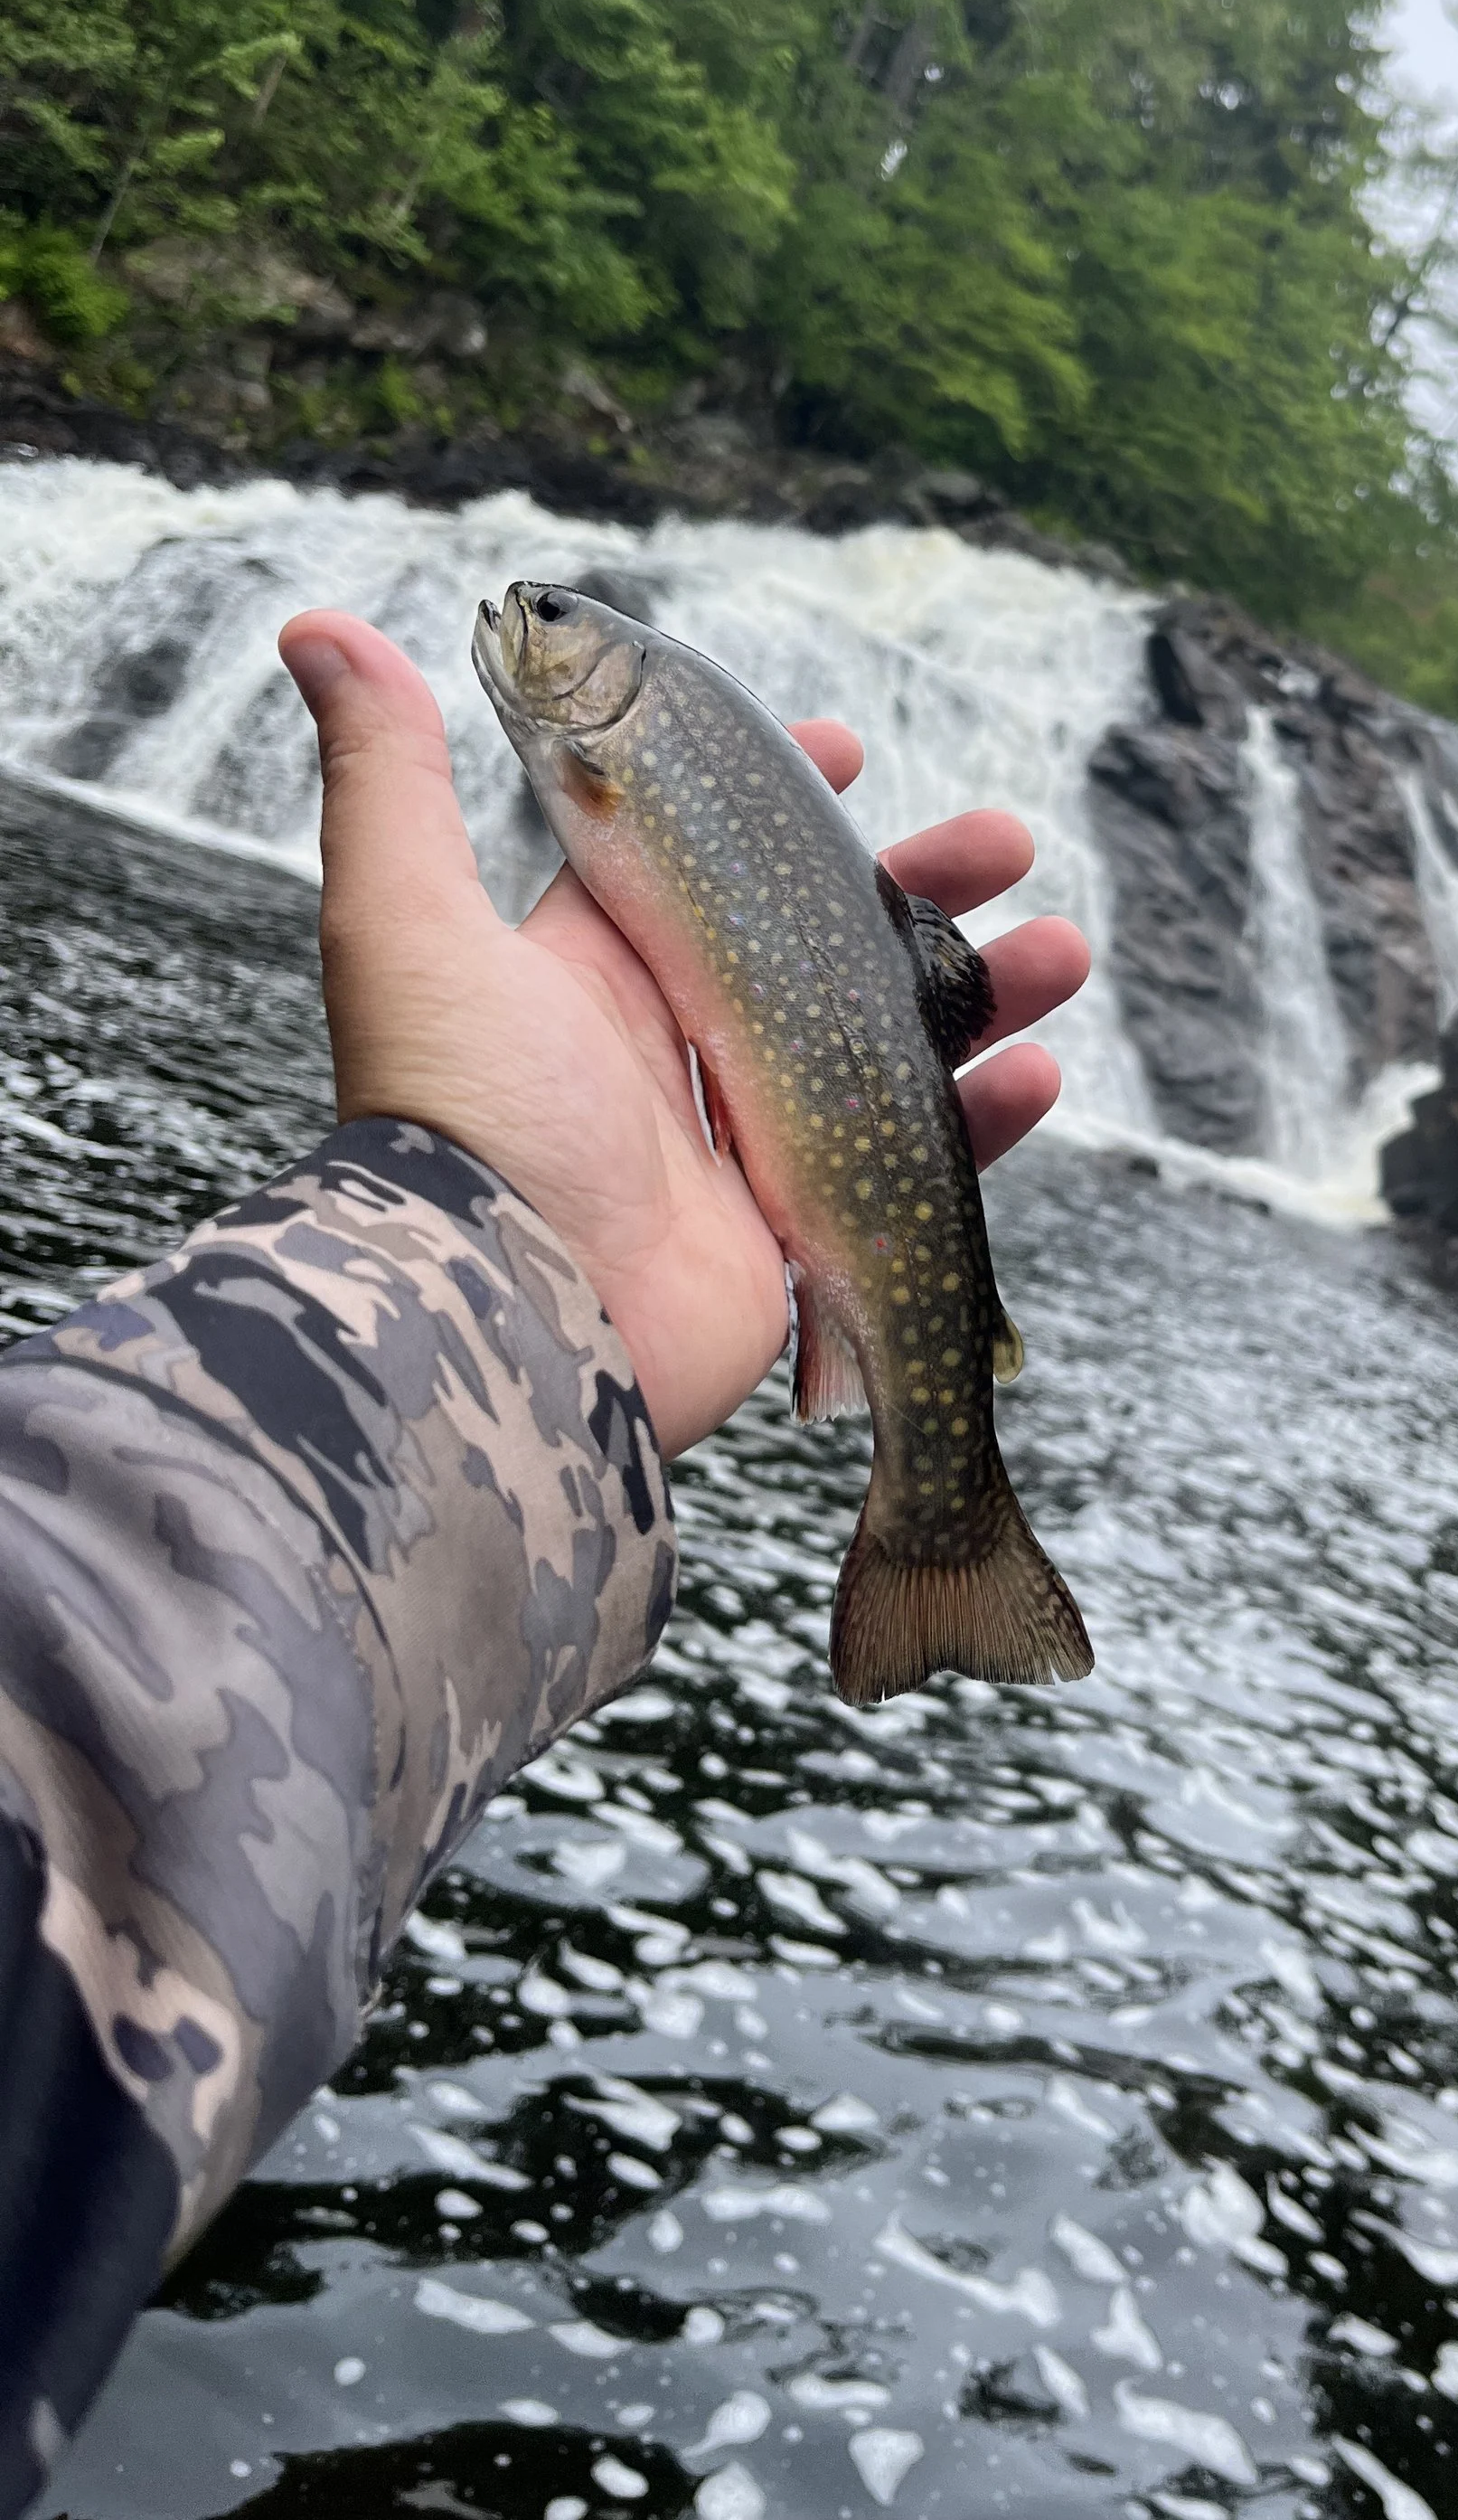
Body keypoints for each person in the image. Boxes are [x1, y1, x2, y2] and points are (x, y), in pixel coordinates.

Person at [0, 612, 1090, 2513]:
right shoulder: (631, 753)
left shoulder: (621, 743)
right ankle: (943, 1517)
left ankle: (945, 1514)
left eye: (563, 630)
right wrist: (499, 1244)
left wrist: (489, 1240)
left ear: (616, 699)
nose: (532, 632)